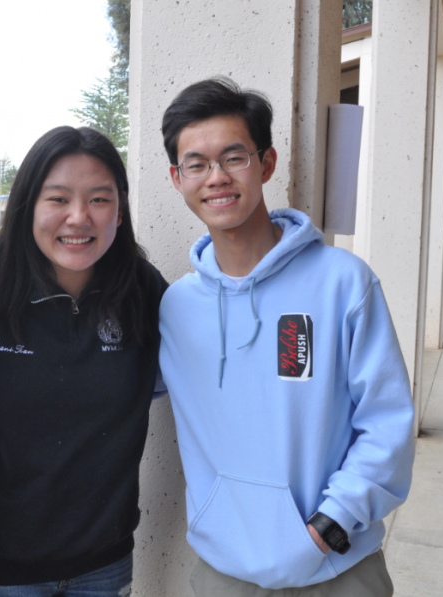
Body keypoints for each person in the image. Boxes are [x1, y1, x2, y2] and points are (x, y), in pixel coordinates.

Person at [157, 77, 415, 596]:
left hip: (337, 570)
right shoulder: (176, 307)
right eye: (197, 164)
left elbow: (387, 424)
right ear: (176, 177)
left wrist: (328, 529)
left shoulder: (343, 282)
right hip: (221, 574)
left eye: (235, 157)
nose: (217, 177)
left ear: (267, 164)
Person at [0, 126, 167, 596]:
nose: (78, 218)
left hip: (105, 562)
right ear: (28, 205)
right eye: (58, 199)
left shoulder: (143, 291)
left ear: (120, 208)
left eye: (99, 199)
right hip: (0, 567)